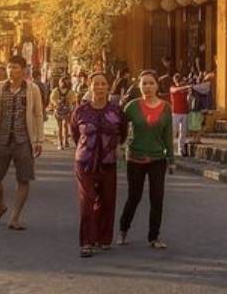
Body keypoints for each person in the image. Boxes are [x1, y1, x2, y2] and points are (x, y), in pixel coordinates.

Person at [71, 72, 126, 258]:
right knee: (87, 200)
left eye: (103, 84)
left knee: (107, 200)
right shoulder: (80, 111)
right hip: (85, 162)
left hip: (108, 161)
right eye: (96, 84)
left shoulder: (116, 111)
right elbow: (75, 134)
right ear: (90, 86)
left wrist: (116, 147)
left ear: (108, 86)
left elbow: (123, 132)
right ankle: (86, 241)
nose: (100, 87)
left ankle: (103, 238)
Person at [0, 55, 44, 231]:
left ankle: (15, 217)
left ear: (23, 70)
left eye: (15, 67)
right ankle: (1, 205)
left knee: (24, 178)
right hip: (1, 138)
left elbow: (38, 114)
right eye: (9, 67)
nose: (11, 71)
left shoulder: (32, 89)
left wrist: (38, 139)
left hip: (23, 139)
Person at [119, 70, 174, 249]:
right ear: (139, 86)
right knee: (134, 196)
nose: (148, 87)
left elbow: (168, 135)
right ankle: (123, 230)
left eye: (151, 83)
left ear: (157, 85)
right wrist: (120, 146)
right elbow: (119, 127)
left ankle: (154, 237)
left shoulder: (166, 107)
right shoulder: (132, 106)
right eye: (144, 83)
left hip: (158, 158)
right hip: (135, 157)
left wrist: (171, 159)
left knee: (157, 197)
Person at [51, 76, 78, 151]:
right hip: (58, 110)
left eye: (64, 82)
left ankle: (65, 140)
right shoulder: (56, 90)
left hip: (67, 110)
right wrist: (56, 103)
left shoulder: (70, 91)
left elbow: (73, 100)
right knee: (59, 127)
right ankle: (60, 142)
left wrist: (70, 104)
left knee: (65, 125)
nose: (63, 83)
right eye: (62, 82)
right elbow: (52, 99)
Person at [168, 74, 190, 157]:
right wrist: (185, 87)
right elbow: (174, 90)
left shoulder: (185, 89)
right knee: (173, 132)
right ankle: (169, 150)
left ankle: (181, 150)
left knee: (183, 132)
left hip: (185, 112)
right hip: (175, 112)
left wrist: (187, 87)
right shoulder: (173, 88)